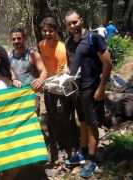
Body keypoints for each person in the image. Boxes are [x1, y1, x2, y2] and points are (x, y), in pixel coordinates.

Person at [64, 9, 112, 178]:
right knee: (82, 122)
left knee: (92, 125)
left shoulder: (94, 38)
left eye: (75, 22)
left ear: (81, 20)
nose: (72, 25)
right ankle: (82, 153)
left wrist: (102, 87)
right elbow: (72, 63)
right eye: (69, 23)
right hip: (77, 90)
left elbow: (108, 63)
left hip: (92, 89)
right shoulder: (68, 41)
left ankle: (92, 160)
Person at [39, 17, 78, 165]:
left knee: (69, 118)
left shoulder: (61, 47)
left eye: (51, 30)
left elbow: (61, 73)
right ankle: (53, 151)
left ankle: (72, 149)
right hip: (50, 86)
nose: (47, 33)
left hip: (63, 86)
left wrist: (47, 81)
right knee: (51, 118)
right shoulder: (41, 44)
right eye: (45, 30)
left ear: (55, 31)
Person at [8, 27, 47, 114]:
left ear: (24, 38)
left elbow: (44, 71)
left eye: (19, 38)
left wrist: (40, 80)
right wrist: (14, 79)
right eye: (13, 39)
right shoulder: (9, 56)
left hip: (32, 94)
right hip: (17, 93)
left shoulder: (33, 55)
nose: (16, 41)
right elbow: (9, 70)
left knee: (32, 118)